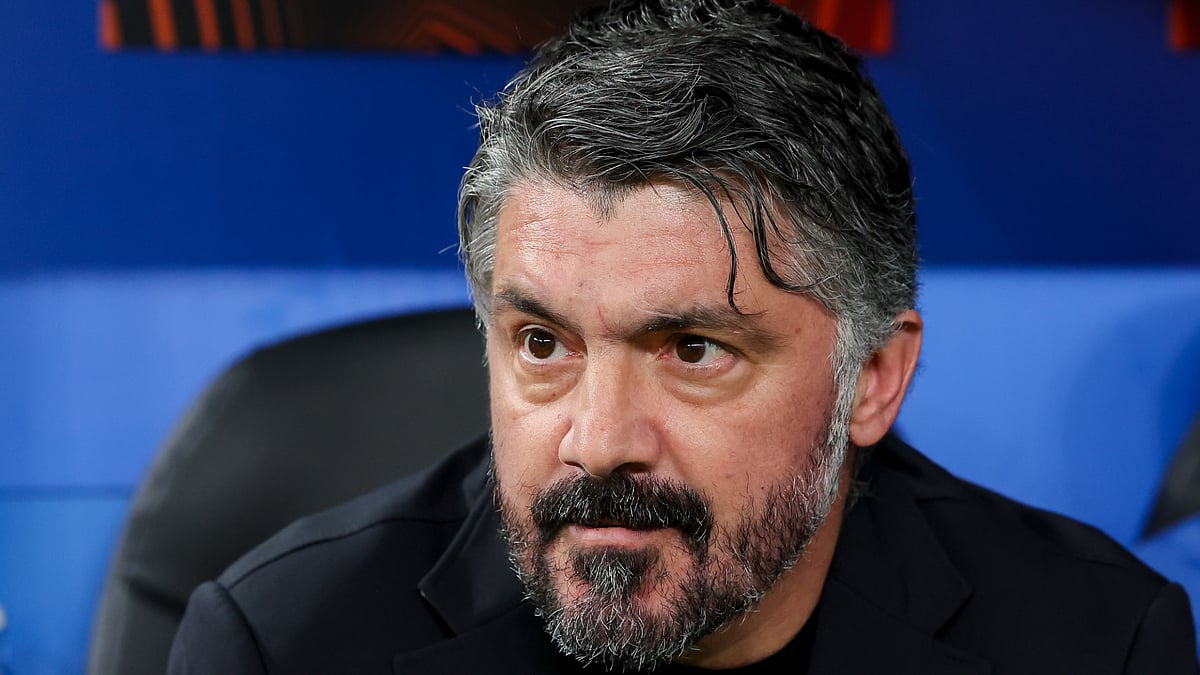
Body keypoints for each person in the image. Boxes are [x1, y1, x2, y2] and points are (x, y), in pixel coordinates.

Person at [168, 0, 1199, 672]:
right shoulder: (289, 642)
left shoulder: (1092, 642)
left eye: (693, 349)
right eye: (542, 343)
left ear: (874, 377)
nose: (597, 441)